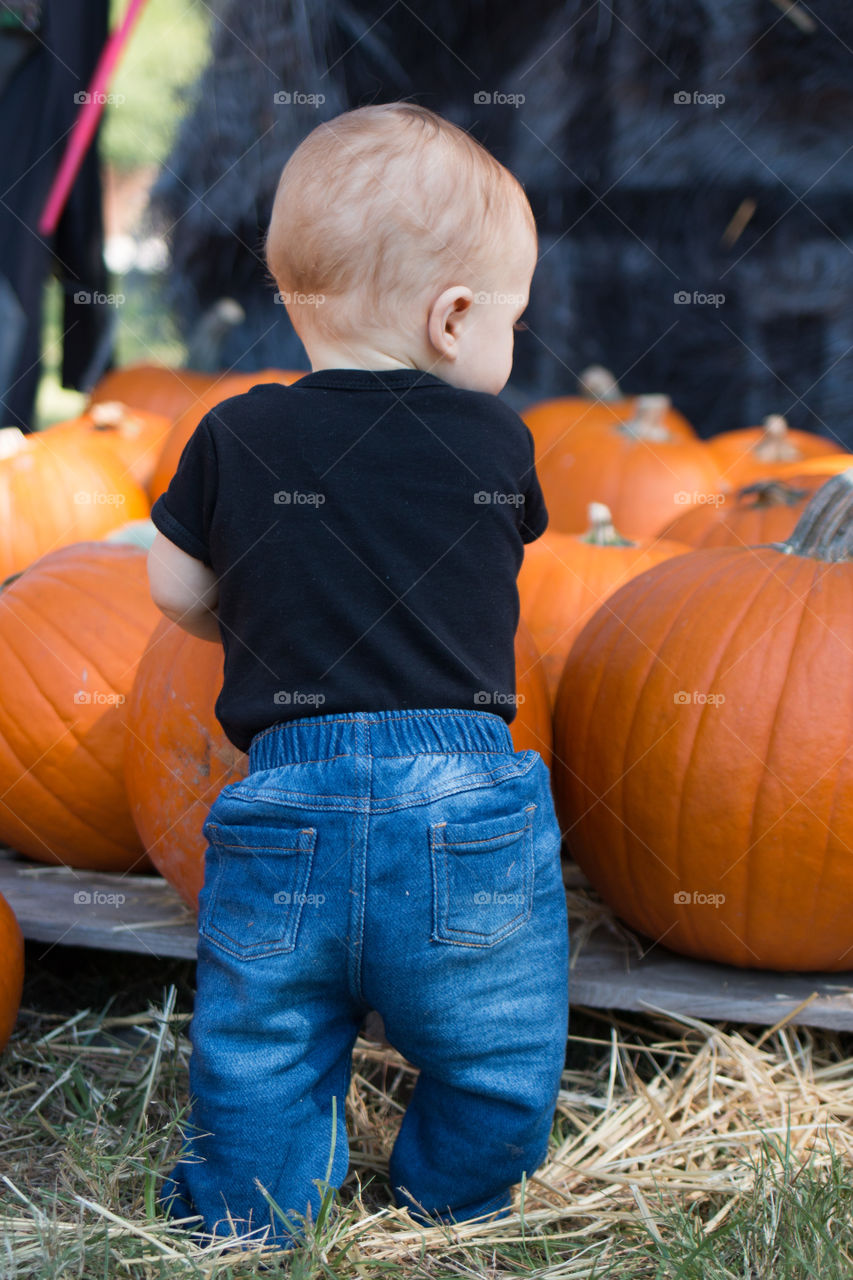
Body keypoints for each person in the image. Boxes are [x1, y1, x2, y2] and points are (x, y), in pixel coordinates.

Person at [148, 101, 570, 1253]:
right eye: (511, 323)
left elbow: (175, 594)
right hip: (463, 808)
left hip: (287, 804)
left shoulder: (233, 435)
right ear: (451, 319)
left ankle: (252, 1214)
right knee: (497, 1041)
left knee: (263, 1040)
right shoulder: (497, 444)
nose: (510, 348)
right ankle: (450, 1197)